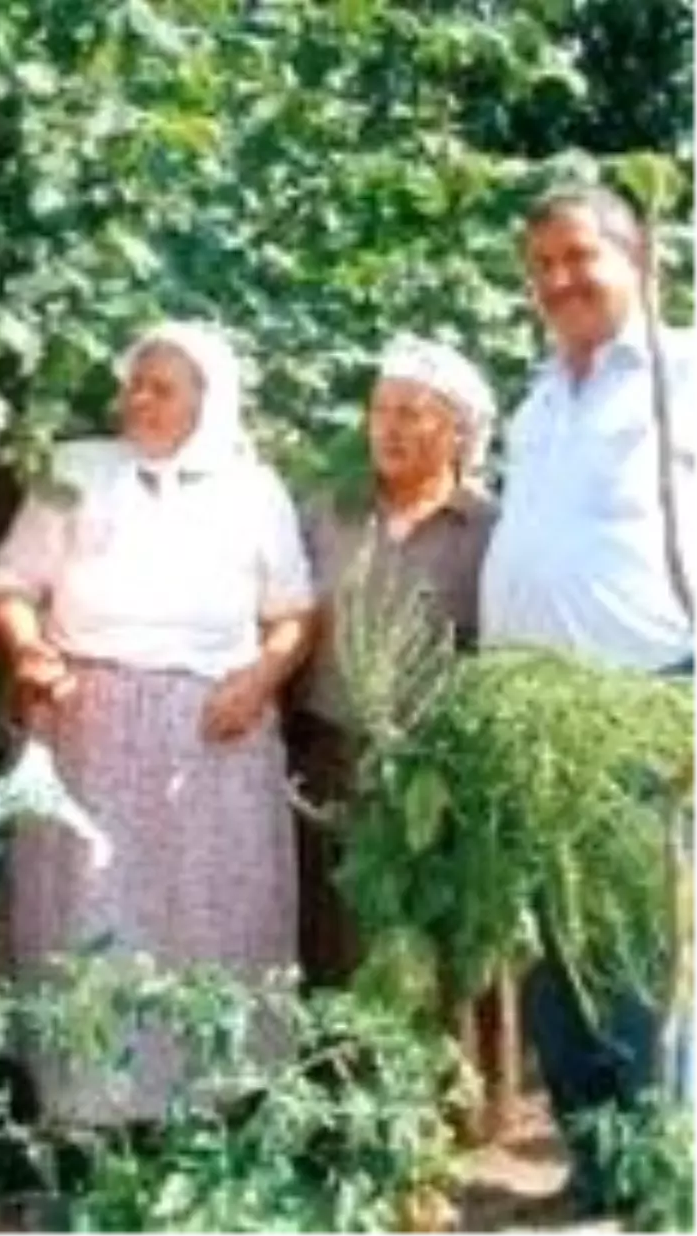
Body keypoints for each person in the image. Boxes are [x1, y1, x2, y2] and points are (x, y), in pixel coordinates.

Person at [0, 320, 315, 1125]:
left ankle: (219, 1100)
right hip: (89, 727)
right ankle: (90, 1108)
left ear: (210, 400)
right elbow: (12, 582)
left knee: (211, 913)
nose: (140, 400)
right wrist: (31, 652)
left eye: (163, 388)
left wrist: (260, 678)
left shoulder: (254, 490)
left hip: (215, 734)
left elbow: (294, 613)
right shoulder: (76, 471)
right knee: (93, 909)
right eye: (135, 382)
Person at [480, 183, 697, 1217]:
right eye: (542, 266)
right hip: (540, 724)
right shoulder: (538, 400)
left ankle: (663, 1180)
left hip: (646, 705)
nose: (559, 280)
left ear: (639, 256)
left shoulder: (682, 375)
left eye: (579, 256)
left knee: (639, 951)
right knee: (554, 951)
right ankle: (594, 1164)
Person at [287, 334, 511, 1132]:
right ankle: (346, 1104)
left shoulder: (489, 528)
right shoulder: (326, 514)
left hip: (439, 766)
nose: (390, 428)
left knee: (443, 928)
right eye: (380, 410)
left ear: (459, 432)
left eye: (414, 414)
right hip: (333, 749)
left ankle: (447, 1108)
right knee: (340, 927)